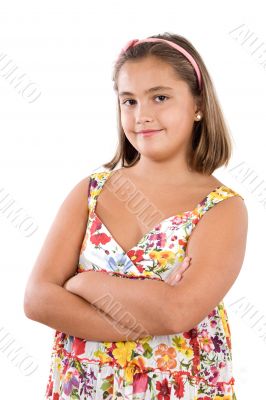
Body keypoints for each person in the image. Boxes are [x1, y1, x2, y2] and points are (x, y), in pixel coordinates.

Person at [23, 33, 248, 399]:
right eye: (129, 101)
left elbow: (177, 313)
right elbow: (37, 299)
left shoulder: (221, 207)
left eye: (160, 97)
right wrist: (144, 315)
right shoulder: (91, 192)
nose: (142, 115)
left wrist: (86, 285)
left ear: (198, 105)